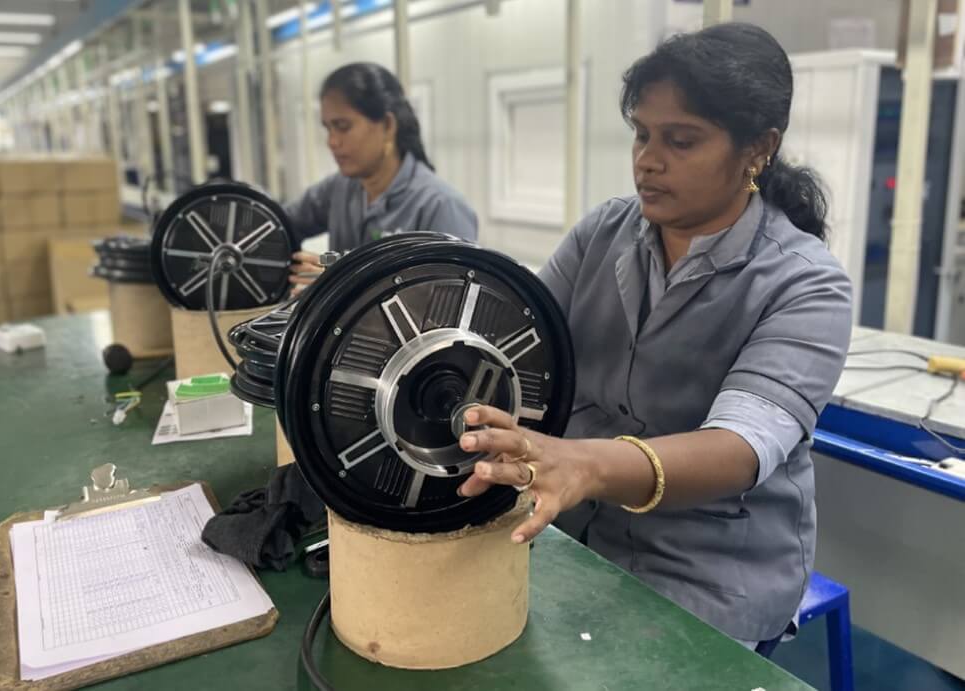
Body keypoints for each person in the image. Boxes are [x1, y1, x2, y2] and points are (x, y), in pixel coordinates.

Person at [456, 23, 852, 653]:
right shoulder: (602, 235)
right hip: (581, 531)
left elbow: (737, 449)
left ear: (758, 148)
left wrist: (581, 462)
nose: (647, 158)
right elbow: (510, 339)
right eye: (642, 133)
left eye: (681, 140)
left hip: (711, 566)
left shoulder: (805, 285)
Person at [286, 62, 477, 292]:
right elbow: (280, 226)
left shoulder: (441, 208)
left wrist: (340, 284)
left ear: (387, 125)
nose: (332, 142)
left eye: (343, 126)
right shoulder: (339, 189)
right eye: (328, 128)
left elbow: (450, 305)